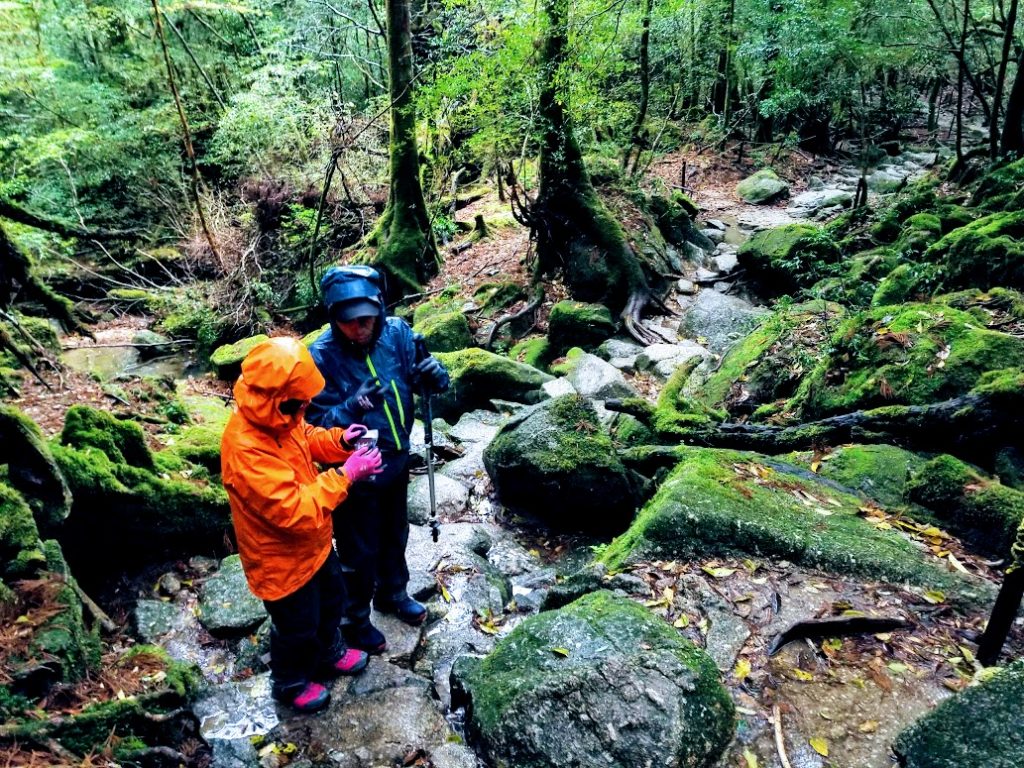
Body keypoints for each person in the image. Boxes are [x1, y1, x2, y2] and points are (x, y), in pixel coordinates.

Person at [221, 336, 384, 713]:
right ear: (278, 398)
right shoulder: (245, 447)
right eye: (301, 401)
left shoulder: (280, 415)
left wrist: (341, 440)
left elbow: (306, 438)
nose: (307, 406)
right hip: (279, 560)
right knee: (296, 627)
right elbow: (293, 510)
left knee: (332, 601)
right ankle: (289, 683)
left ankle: (329, 651)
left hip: (315, 544)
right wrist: (347, 474)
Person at [306, 265, 450, 655]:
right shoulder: (319, 358)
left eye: (366, 319)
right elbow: (311, 426)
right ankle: (355, 618)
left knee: (394, 534)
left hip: (396, 458)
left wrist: (435, 375)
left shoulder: (398, 335)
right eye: (348, 321)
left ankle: (393, 593)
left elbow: (435, 381)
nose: (358, 328)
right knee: (357, 549)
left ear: (379, 309)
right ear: (334, 317)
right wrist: (350, 407)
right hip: (352, 472)